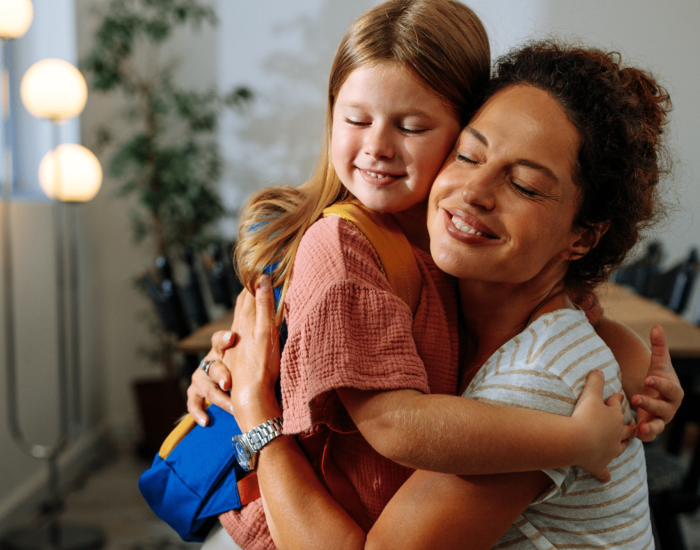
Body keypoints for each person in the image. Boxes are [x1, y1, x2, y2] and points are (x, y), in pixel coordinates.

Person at [188, 2, 681, 547]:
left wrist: (642, 379)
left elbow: (582, 339)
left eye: (414, 126)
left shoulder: (459, 269)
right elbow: (390, 419)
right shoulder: (361, 246)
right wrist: (243, 389)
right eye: (472, 157)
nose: (377, 146)